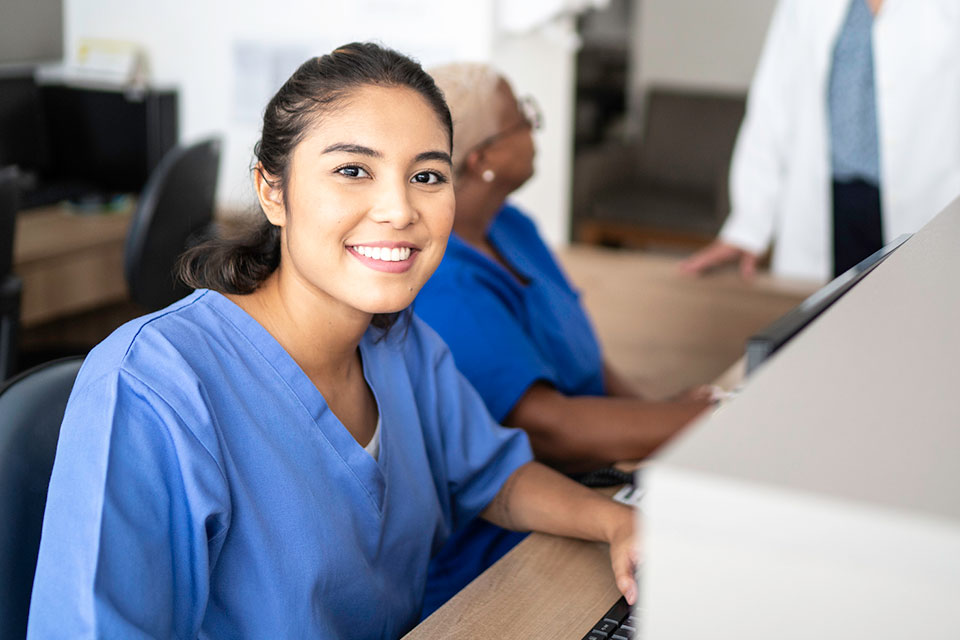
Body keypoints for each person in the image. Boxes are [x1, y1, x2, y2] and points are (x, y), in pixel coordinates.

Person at [27, 44, 638, 639]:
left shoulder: (403, 347)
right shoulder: (151, 387)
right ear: (273, 191)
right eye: (353, 170)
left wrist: (619, 524)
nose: (399, 209)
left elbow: (496, 478)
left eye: (427, 175)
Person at [415, 63, 711, 616]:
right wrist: (700, 420)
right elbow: (552, 427)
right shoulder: (443, 280)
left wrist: (664, 418)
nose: (535, 124)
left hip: (594, 488)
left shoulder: (512, 225)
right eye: (521, 118)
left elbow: (589, 366)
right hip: (513, 539)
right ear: (482, 158)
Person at [680, 0, 960, 282]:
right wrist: (748, 227)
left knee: (916, 314)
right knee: (829, 320)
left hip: (930, 206)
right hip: (829, 207)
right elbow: (773, 109)